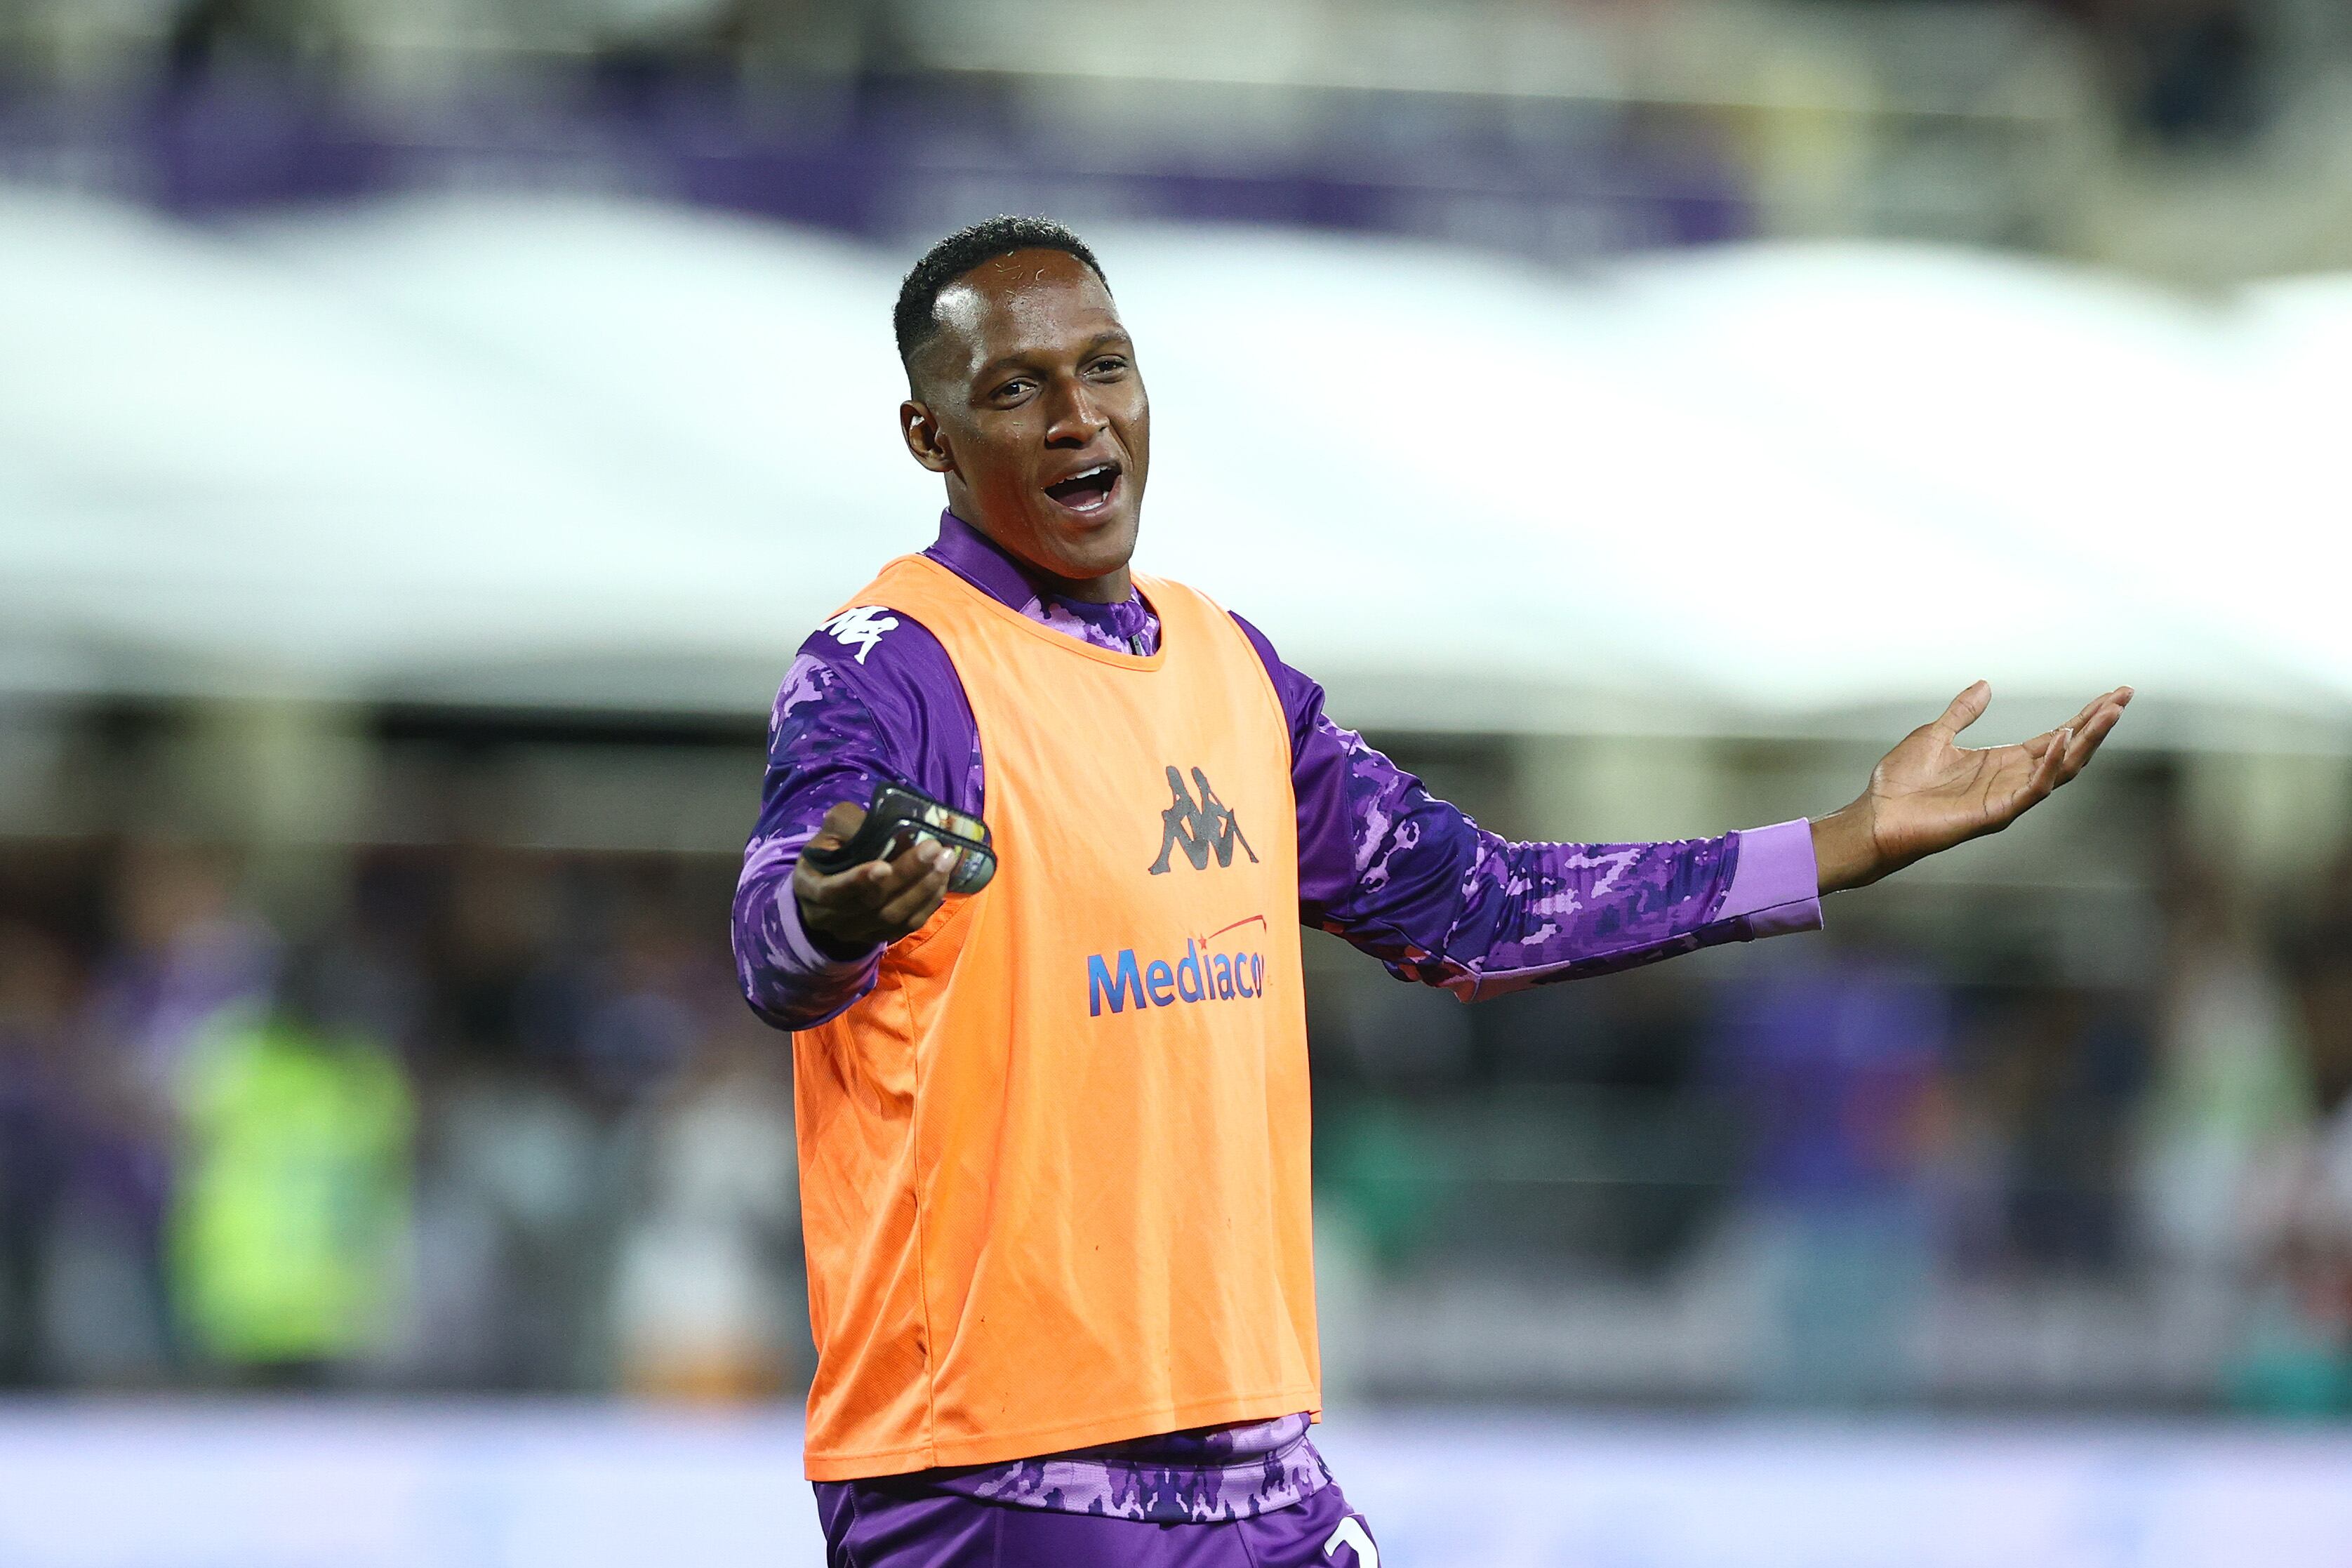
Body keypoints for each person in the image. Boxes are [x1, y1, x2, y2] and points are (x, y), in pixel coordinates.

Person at [731, 215, 2131, 1567]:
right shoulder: (890, 667)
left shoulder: (1226, 668)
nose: (1076, 417)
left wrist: (1841, 839)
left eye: (1103, 366)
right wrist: (823, 916)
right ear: (929, 437)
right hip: (992, 1473)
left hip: (1252, 1457)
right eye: (1013, 388)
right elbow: (773, 930)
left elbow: (1477, 906)